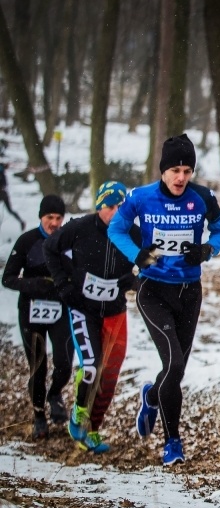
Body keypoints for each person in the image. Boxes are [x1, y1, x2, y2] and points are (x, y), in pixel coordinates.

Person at [108, 133, 220, 466]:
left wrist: (206, 250)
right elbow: (116, 229)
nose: (181, 178)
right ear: (163, 170)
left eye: (187, 171)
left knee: (175, 371)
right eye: (175, 170)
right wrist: (138, 255)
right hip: (154, 291)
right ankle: (172, 443)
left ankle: (151, 395)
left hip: (189, 292)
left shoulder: (202, 197)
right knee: (174, 364)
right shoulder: (140, 197)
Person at [43, 181, 141, 454]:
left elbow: (152, 258)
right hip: (83, 308)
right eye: (110, 206)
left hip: (114, 311)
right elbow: (50, 248)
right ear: (99, 206)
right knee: (91, 367)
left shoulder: (133, 233)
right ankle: (79, 411)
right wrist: (63, 285)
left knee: (110, 374)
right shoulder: (80, 227)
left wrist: (135, 279)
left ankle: (93, 428)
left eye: (121, 207)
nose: (116, 212)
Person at [2, 195, 73, 439]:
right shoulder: (27, 241)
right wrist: (34, 284)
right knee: (38, 366)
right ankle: (39, 416)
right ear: (41, 217)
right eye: (49, 217)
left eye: (58, 218)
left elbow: (78, 272)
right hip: (31, 311)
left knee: (64, 361)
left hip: (60, 309)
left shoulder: (67, 241)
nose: (54, 223)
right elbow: (8, 278)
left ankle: (55, 394)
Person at [0, 162, 25, 230]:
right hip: (4, 193)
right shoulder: (2, 173)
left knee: (10, 210)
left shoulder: (2, 174)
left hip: (2, 194)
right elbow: (5, 184)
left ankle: (21, 222)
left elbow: (4, 184)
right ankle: (21, 221)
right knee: (10, 210)